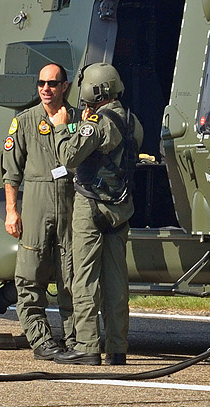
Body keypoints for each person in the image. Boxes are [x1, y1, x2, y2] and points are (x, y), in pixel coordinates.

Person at [54, 62, 143, 367]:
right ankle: (117, 348)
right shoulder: (133, 123)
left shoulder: (95, 125)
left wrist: (64, 127)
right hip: (121, 209)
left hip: (91, 206)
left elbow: (67, 156)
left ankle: (88, 345)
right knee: (117, 282)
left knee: (85, 278)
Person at [2, 63, 77, 361]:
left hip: (69, 207)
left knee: (71, 276)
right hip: (35, 204)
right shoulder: (24, 122)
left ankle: (75, 341)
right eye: (41, 84)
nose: (46, 89)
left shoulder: (75, 120)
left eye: (52, 83)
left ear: (64, 86)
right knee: (30, 275)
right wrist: (12, 210)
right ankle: (41, 340)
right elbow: (11, 173)